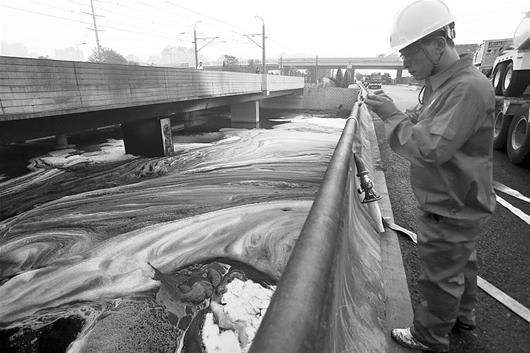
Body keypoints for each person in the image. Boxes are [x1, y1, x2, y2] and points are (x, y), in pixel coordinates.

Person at [364, 0, 496, 352]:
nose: (404, 62)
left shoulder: (465, 88)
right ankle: (462, 317)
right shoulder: (448, 84)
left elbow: (430, 147)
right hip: (462, 200)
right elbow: (436, 128)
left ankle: (428, 337)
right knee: (461, 264)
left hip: (450, 203)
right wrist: (405, 114)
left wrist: (390, 115)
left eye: (410, 52)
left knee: (439, 275)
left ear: (439, 44)